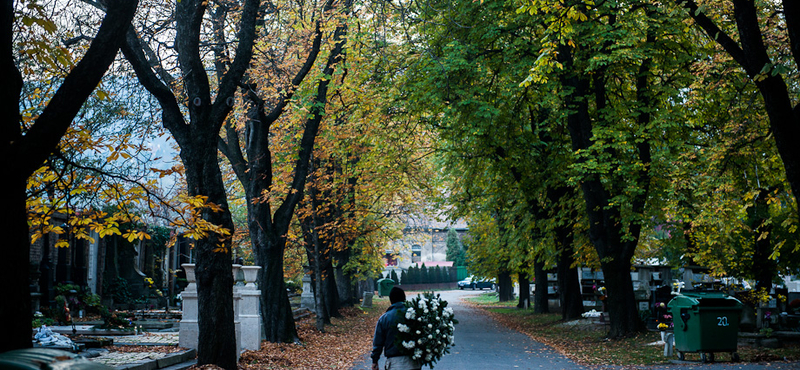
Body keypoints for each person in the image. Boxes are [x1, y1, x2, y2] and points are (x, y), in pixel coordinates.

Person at [371, 287, 420, 370]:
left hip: (394, 363)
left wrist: (375, 360)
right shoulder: (415, 315)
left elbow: (378, 343)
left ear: (391, 300)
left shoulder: (384, 319)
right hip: (413, 361)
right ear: (404, 298)